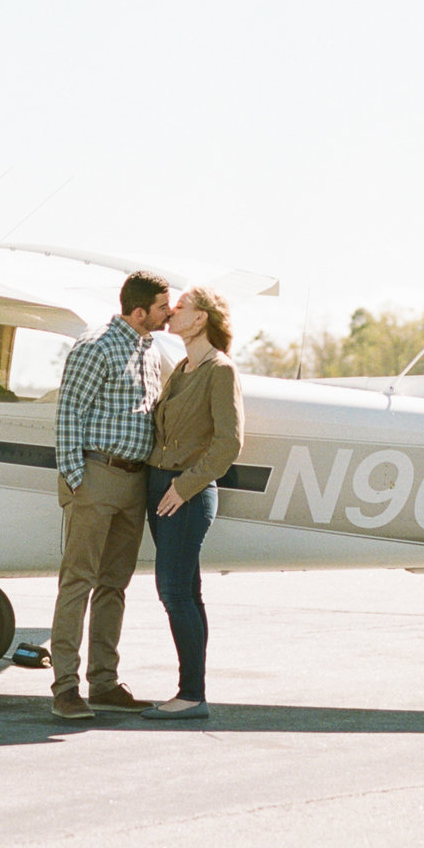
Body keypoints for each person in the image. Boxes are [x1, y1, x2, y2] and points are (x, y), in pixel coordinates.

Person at [49, 269, 173, 719]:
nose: (169, 313)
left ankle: (103, 682)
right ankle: (65, 687)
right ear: (139, 311)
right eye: (163, 307)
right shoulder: (96, 345)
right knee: (78, 581)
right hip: (97, 475)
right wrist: (77, 480)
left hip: (134, 483)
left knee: (114, 585)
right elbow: (68, 415)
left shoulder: (148, 347)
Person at [142, 285, 243, 721]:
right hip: (161, 489)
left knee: (174, 591)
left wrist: (184, 487)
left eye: (180, 309)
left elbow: (228, 444)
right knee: (186, 592)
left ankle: (191, 695)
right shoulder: (182, 367)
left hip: (187, 493)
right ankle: (192, 691)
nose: (171, 314)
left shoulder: (220, 371)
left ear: (201, 319)